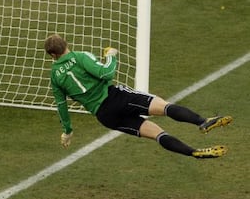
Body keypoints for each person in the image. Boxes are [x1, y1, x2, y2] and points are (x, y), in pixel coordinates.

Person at [44, 34, 232, 158]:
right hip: (116, 97)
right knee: (164, 107)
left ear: (52, 55)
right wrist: (111, 56)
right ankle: (202, 121)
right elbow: (106, 73)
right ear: (66, 44)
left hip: (105, 116)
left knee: (157, 134)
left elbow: (61, 106)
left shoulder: (54, 76)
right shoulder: (81, 56)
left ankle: (194, 152)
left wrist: (67, 131)